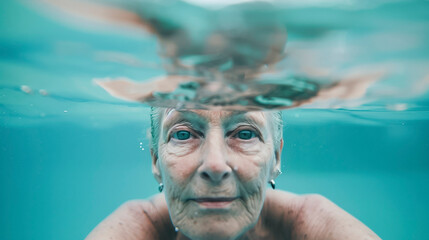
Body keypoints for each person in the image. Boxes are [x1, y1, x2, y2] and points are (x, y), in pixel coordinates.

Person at [86, 107, 381, 240]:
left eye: (245, 133)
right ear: (155, 160)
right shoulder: (135, 228)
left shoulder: (314, 224)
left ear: (276, 156)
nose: (215, 165)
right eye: (183, 134)